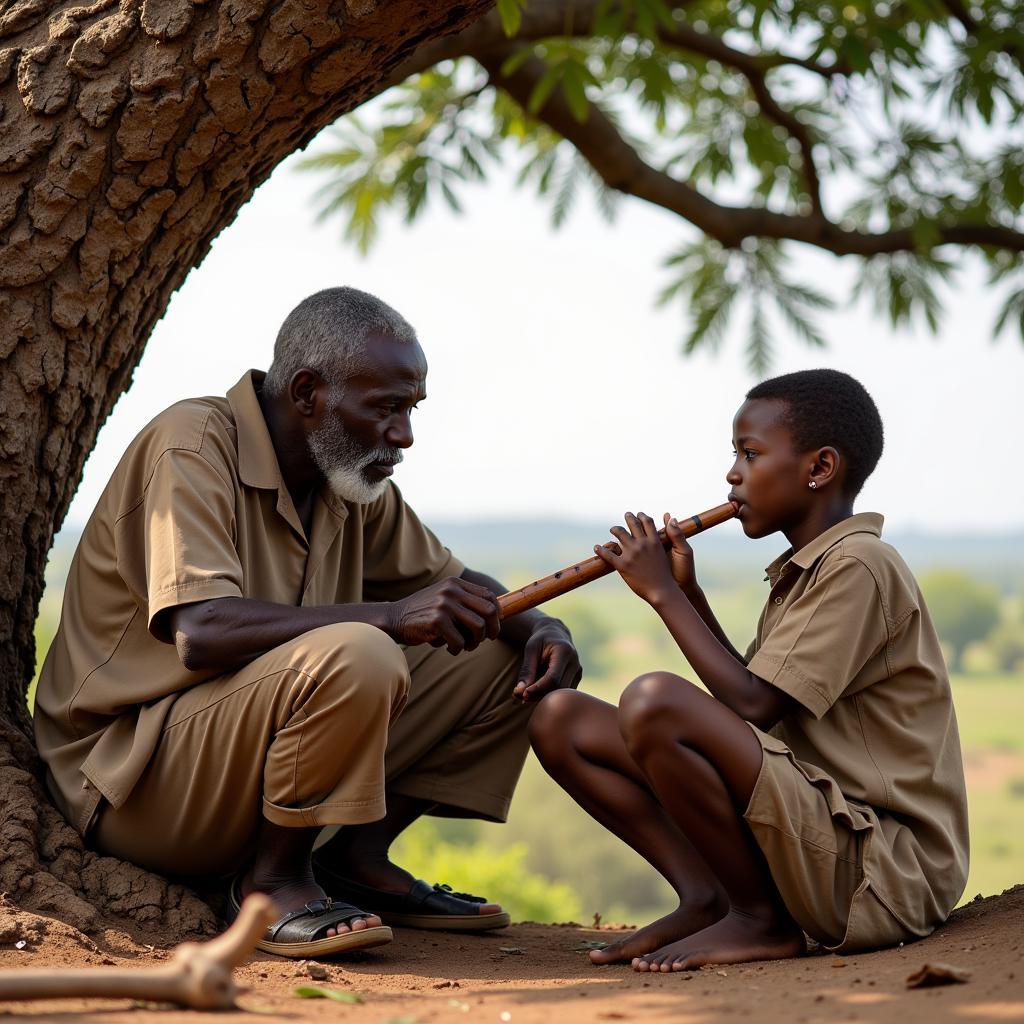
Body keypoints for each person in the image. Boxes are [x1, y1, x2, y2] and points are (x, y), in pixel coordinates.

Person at [34, 287, 580, 958]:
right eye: (384, 409)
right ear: (305, 394)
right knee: (363, 649)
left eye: (410, 410)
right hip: (130, 780)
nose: (404, 435)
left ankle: (358, 859)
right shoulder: (194, 442)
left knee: (493, 647)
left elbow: (453, 586)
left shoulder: (346, 476)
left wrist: (543, 628)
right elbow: (200, 631)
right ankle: (271, 884)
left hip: (235, 756)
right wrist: (387, 617)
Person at [529, 369, 968, 972]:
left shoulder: (861, 564)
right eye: (735, 455)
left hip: (880, 870)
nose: (733, 474)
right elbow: (750, 704)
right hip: (816, 835)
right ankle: (710, 898)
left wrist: (663, 595)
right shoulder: (805, 569)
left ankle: (761, 920)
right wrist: (692, 594)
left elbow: (755, 706)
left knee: (653, 698)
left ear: (819, 468)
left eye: (750, 453)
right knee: (561, 719)